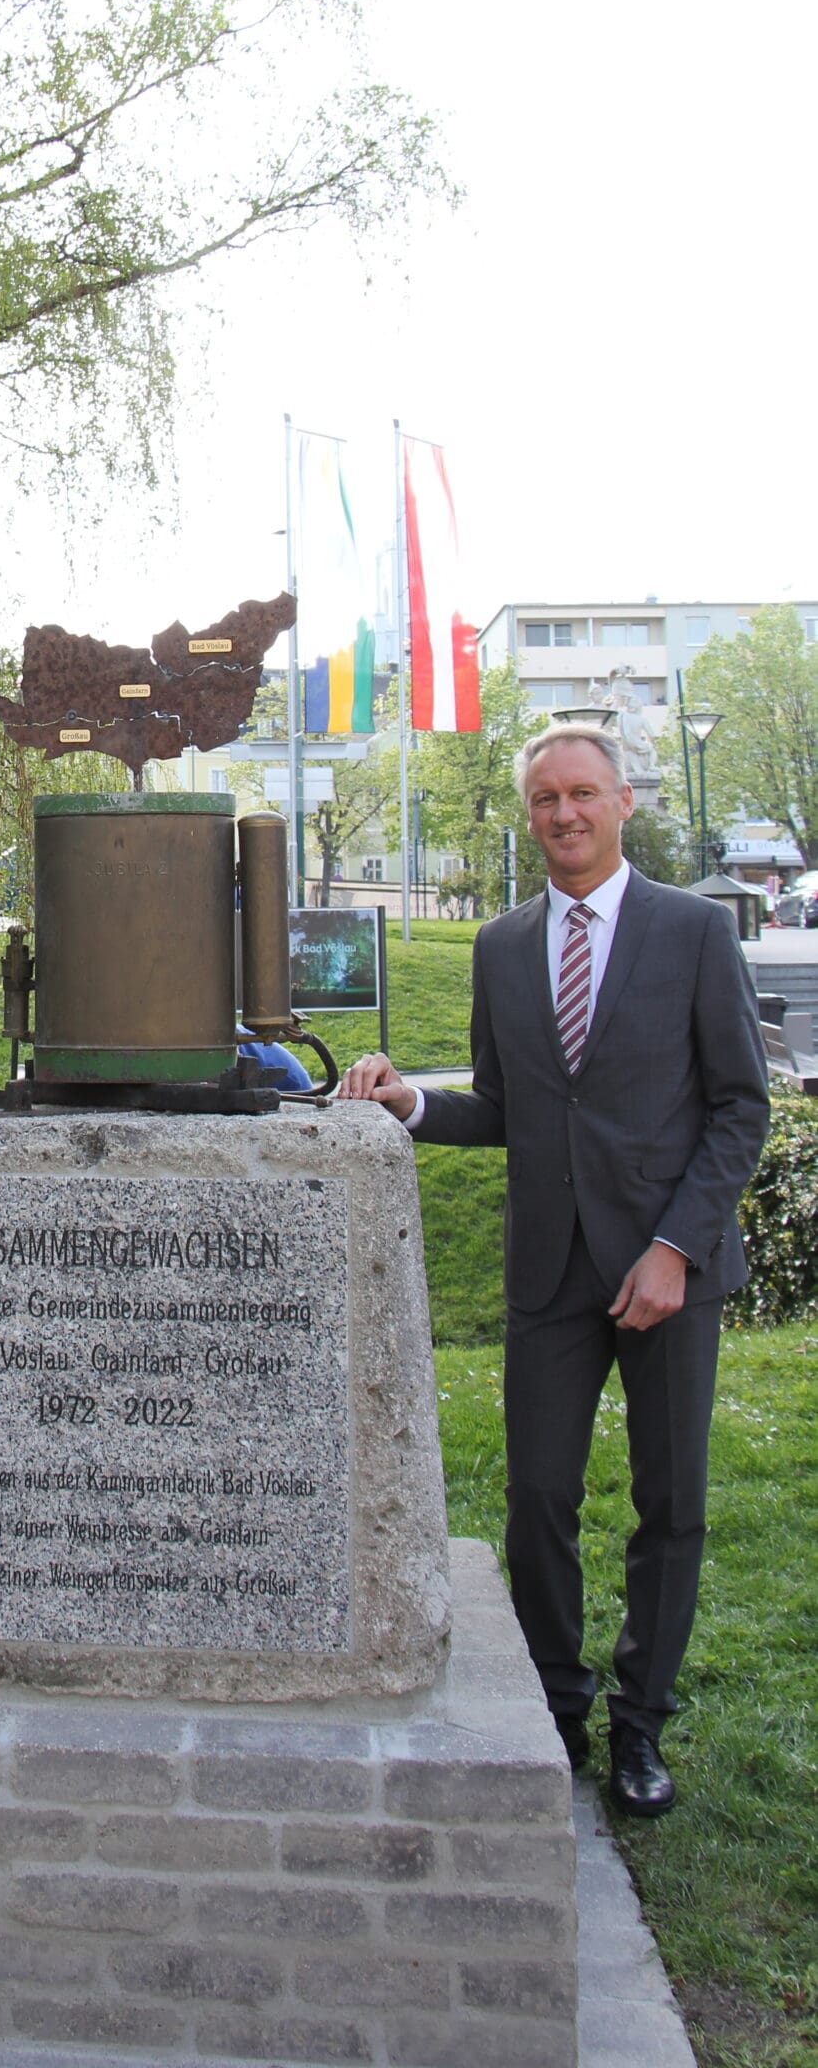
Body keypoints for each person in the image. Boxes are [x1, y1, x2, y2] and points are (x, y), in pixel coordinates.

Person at [340, 722, 767, 1817]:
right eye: (544, 799)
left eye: (582, 794)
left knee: (669, 1502)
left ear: (622, 802)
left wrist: (675, 1249)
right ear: (528, 815)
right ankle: (556, 1707)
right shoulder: (500, 945)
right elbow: (506, 1105)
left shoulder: (695, 930)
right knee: (537, 1497)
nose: (563, 814)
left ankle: (640, 1723)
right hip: (551, 1271)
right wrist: (410, 1103)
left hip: (668, 1267)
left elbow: (739, 1108)